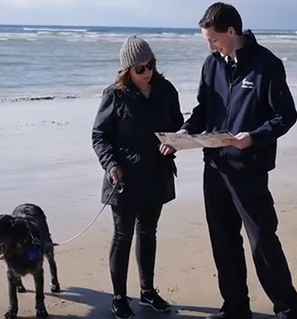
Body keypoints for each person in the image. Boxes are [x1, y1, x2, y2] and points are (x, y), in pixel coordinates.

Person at [179, 3, 297, 319]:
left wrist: (254, 137)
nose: (210, 46)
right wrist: (182, 135)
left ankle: (287, 309)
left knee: (262, 240)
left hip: (249, 168)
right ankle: (235, 307)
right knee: (223, 240)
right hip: (215, 167)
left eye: (214, 39)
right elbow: (203, 111)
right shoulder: (211, 65)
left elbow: (285, 116)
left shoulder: (267, 65)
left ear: (231, 32)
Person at [92, 35, 184, 319]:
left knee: (148, 233)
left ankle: (147, 292)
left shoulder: (166, 90)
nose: (148, 72)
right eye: (140, 68)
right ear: (127, 70)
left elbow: (178, 123)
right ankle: (119, 297)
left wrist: (177, 139)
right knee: (123, 235)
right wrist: (111, 165)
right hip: (124, 179)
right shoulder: (115, 94)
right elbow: (99, 136)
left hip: (157, 173)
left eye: (151, 65)